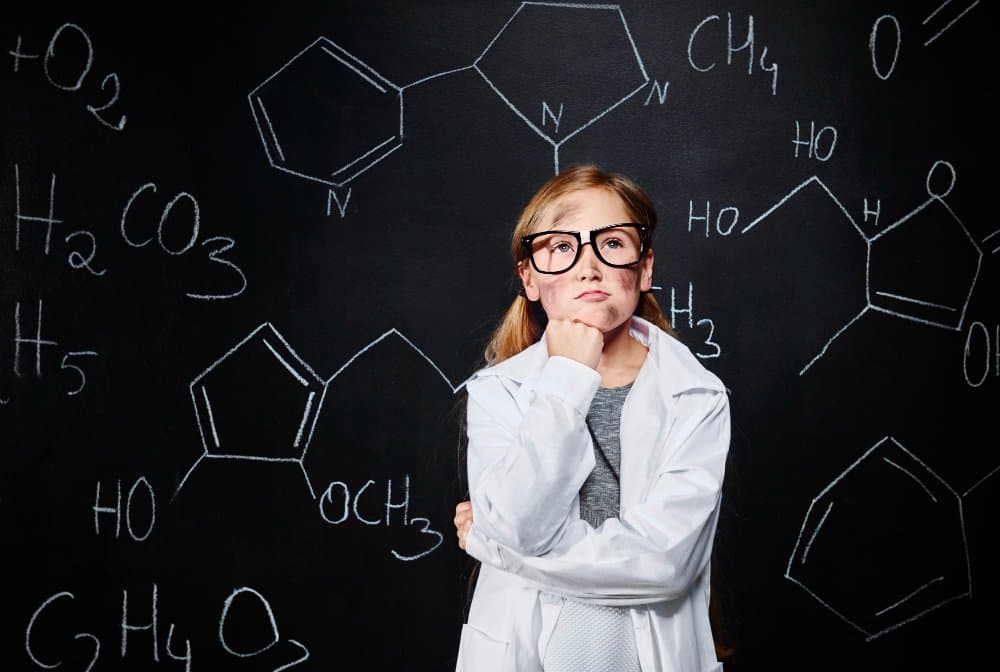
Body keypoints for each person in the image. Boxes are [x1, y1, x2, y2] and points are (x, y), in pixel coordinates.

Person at [452, 164, 732, 672]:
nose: (588, 267)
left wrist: (498, 549)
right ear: (529, 277)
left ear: (644, 268)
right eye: (561, 247)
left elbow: (664, 565)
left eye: (612, 243)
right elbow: (521, 523)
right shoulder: (497, 394)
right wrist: (566, 378)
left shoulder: (697, 395)